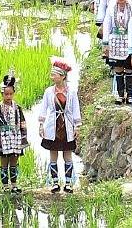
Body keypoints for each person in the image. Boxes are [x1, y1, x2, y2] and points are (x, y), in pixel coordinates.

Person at [36, 57, 80, 191]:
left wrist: (77, 125)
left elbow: (75, 109)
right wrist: (41, 124)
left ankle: (68, 183)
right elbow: (44, 108)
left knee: (67, 154)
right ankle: (55, 182)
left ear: (62, 76)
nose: (52, 77)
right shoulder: (49, 91)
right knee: (53, 154)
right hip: (52, 126)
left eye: (54, 74)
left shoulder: (71, 92)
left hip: (66, 125)